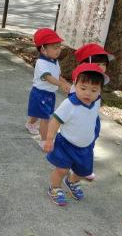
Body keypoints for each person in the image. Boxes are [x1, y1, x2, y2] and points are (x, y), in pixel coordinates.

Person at [43, 63, 108, 206]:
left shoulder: (96, 101)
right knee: (61, 169)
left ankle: (72, 181)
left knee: (82, 170)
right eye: (83, 88)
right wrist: (49, 139)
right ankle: (54, 188)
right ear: (75, 85)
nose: (88, 93)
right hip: (66, 144)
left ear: (100, 91)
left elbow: (92, 119)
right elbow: (55, 120)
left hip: (85, 147)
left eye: (93, 90)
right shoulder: (69, 104)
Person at [70, 43, 115, 181]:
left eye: (104, 64)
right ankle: (75, 166)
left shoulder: (99, 80)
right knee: (77, 144)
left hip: (92, 119)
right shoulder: (79, 84)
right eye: (98, 63)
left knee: (90, 142)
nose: (102, 68)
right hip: (80, 121)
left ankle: (84, 167)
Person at [24, 28, 71, 148]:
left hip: (49, 94)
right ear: (43, 50)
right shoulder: (41, 63)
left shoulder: (54, 61)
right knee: (45, 118)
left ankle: (30, 124)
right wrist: (61, 85)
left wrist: (64, 82)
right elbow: (48, 77)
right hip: (40, 93)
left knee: (38, 113)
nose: (58, 50)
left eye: (59, 46)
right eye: (55, 47)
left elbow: (57, 75)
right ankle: (44, 140)